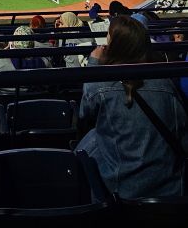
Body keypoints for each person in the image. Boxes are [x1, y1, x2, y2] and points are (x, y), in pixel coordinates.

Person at [79, 17, 188, 198]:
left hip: (122, 194)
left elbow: (84, 117)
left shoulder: (99, 85)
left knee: (89, 142)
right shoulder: (167, 83)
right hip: (172, 192)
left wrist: (94, 65)